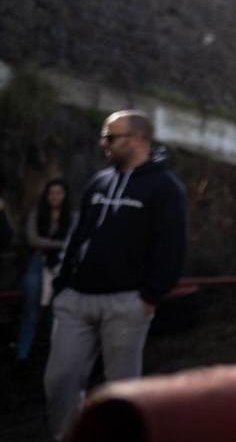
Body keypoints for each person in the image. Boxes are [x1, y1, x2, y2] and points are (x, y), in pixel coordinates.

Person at [44, 111, 187, 441]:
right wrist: (63, 286)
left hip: (127, 303)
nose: (103, 143)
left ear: (137, 140)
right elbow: (78, 235)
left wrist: (150, 297)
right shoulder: (99, 181)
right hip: (76, 299)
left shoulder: (165, 187)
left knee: (122, 393)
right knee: (59, 381)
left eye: (110, 137)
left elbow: (172, 247)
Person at [16, 179, 71, 363]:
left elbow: (73, 238)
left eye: (59, 192)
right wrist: (60, 244)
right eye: (51, 193)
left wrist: (54, 246)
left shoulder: (71, 216)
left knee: (57, 311)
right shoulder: (37, 214)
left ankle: (54, 354)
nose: (55, 196)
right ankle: (23, 354)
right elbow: (34, 240)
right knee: (31, 309)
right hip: (37, 263)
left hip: (60, 265)